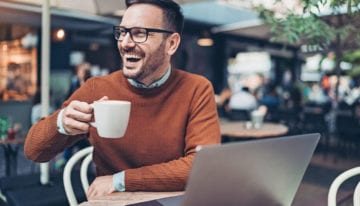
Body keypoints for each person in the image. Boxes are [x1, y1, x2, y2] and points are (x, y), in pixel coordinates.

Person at [24, 0, 220, 200]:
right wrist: (62, 123)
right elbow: (34, 152)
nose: (125, 43)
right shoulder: (96, 88)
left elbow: (201, 167)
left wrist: (120, 180)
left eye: (139, 33)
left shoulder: (196, 88)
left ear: (171, 44)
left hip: (173, 202)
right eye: (122, 32)